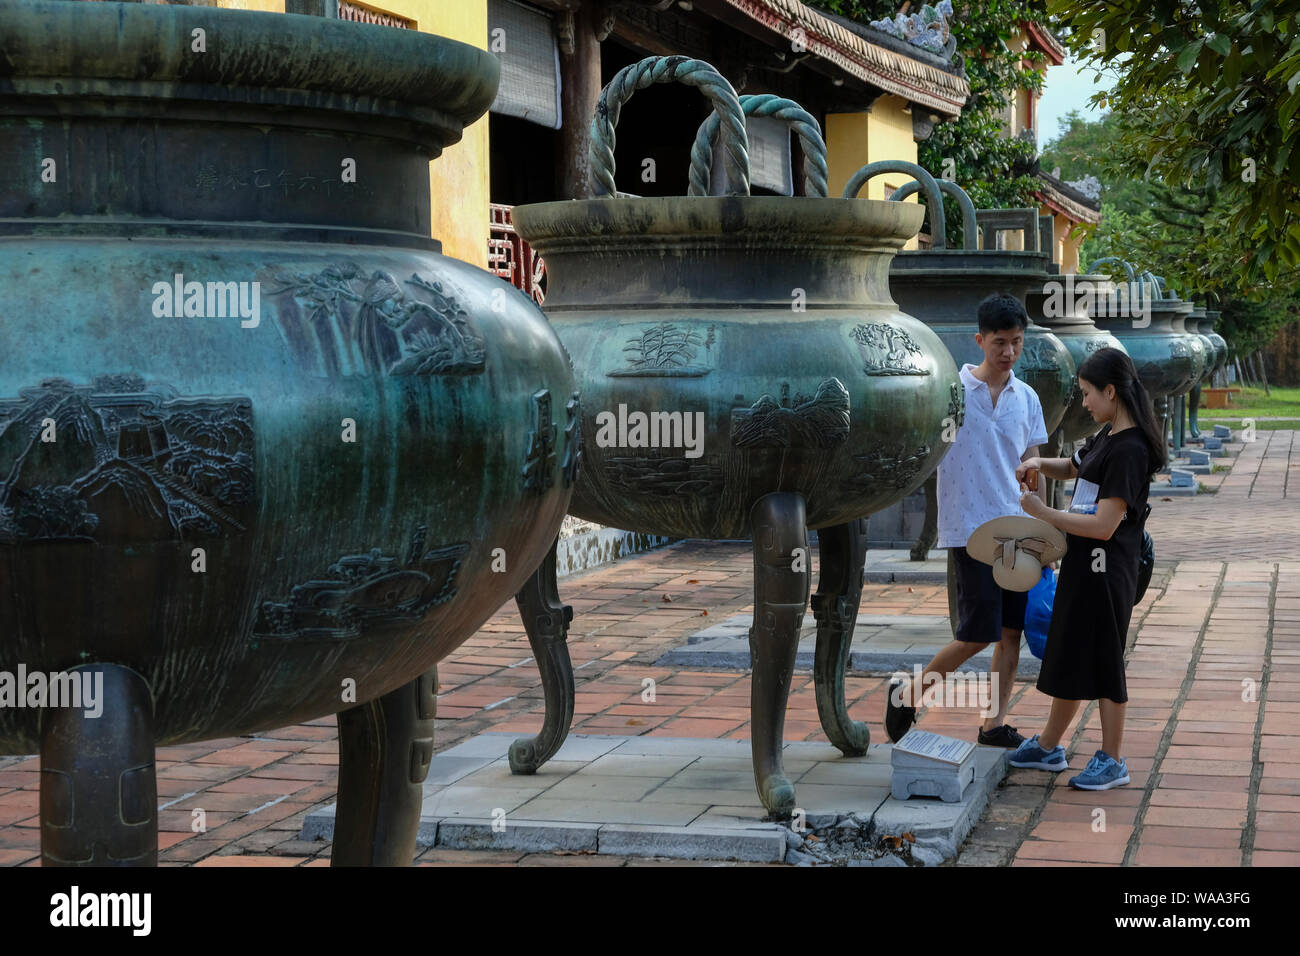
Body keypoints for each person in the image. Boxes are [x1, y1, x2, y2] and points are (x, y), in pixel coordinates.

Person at [884, 292, 1048, 748]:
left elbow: (1033, 463)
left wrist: (1044, 529)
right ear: (980, 340)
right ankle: (909, 692)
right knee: (977, 633)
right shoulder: (951, 393)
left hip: (1019, 530)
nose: (1009, 352)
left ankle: (993, 724)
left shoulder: (1027, 397)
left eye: (1016, 341)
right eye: (999, 342)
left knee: (1011, 634)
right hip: (971, 529)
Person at [1008, 346, 1165, 790]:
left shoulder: (1130, 451)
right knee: (1070, 653)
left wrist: (1043, 513)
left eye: (1088, 394)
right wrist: (1038, 462)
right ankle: (1050, 745)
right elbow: (1074, 467)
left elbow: (1103, 525)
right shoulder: (1107, 436)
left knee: (1104, 662)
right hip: (1081, 569)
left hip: (1106, 573)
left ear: (1111, 392)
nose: (1084, 403)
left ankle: (1113, 760)